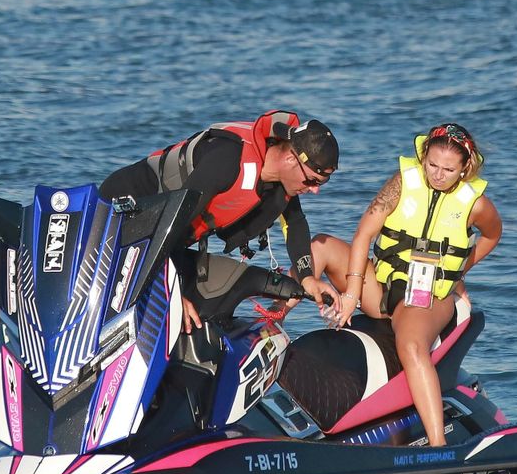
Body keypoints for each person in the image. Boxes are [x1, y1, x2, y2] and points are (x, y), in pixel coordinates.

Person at [310, 122, 503, 447]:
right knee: (320, 246)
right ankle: (273, 315)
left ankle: (438, 444)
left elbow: (493, 235)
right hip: (381, 286)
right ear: (423, 156)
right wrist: (353, 293)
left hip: (426, 296)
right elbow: (364, 235)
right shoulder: (401, 183)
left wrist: (459, 272)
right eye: (432, 165)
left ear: (464, 168)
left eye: (448, 169)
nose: (438, 174)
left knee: (411, 347)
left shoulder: (476, 204)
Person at [100, 110, 341, 331]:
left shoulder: (280, 184)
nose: (315, 191)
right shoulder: (228, 160)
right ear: (291, 160)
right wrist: (170, 292)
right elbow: (171, 222)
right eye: (312, 181)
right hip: (123, 219)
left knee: (222, 302)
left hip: (163, 240)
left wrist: (308, 278)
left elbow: (295, 223)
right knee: (176, 313)